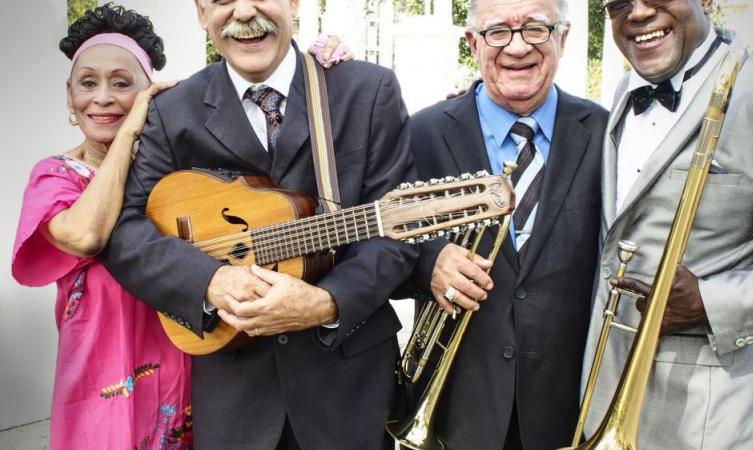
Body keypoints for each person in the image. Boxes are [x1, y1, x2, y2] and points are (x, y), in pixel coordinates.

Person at [98, 0, 417, 448]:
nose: (244, 12)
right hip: (233, 393)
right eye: (223, 0)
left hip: (348, 385)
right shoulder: (174, 110)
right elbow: (126, 232)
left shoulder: (367, 90)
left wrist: (327, 303)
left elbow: (395, 232)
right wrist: (210, 280)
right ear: (200, 11)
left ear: (293, 3)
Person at [580, 0, 753, 448]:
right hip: (609, 396)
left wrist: (712, 301)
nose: (637, 13)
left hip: (719, 418)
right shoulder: (622, 93)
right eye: (618, 4)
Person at [401, 0, 608, 448]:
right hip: (460, 410)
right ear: (473, 43)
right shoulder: (420, 133)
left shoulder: (605, 133)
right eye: (498, 32)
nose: (517, 47)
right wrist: (428, 264)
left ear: (564, 38)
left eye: (535, 28)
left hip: (567, 410)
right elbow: (383, 247)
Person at [11, 4, 190, 449]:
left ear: (150, 92)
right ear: (69, 95)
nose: (103, 97)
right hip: (97, 375)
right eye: (87, 83)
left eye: (123, 83)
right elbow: (87, 235)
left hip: (179, 366)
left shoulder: (178, 175)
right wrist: (129, 133)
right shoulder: (55, 176)